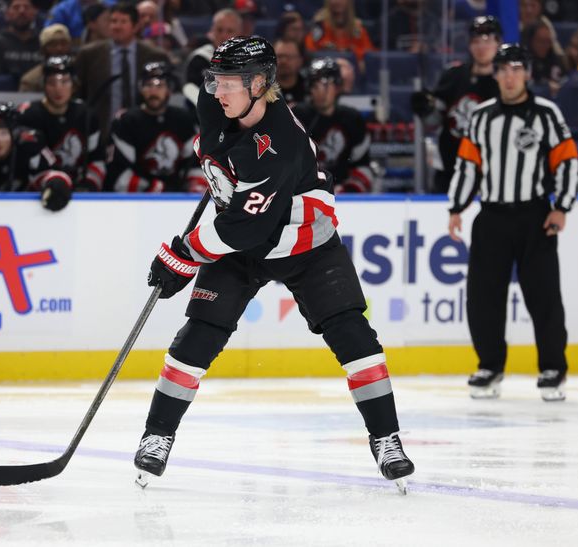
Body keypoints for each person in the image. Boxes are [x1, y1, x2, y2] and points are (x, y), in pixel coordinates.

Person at [134, 36, 415, 492]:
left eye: (228, 83)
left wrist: (183, 253)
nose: (218, 92)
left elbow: (243, 230)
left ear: (260, 83)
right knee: (199, 335)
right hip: (246, 241)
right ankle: (157, 436)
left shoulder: (279, 141)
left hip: (306, 244)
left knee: (353, 335)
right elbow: (226, 181)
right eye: (215, 81)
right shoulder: (217, 105)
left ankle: (387, 439)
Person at [447, 44, 578, 402]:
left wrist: (562, 207)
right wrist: (457, 207)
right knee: (483, 297)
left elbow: (567, 161)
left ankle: (552, 369)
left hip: (535, 216)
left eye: (517, 69)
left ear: (528, 74)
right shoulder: (482, 115)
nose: (509, 76)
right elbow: (468, 165)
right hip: (491, 217)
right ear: (496, 73)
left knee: (544, 296)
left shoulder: (546, 114)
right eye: (504, 69)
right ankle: (490, 365)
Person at [411, 16, 501, 194]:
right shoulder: (454, 76)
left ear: (498, 43)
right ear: (469, 44)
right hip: (450, 171)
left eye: (487, 41)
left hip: (491, 175)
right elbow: (436, 121)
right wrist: (427, 108)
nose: (481, 47)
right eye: (476, 41)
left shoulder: (506, 82)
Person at [73, 2, 169, 142]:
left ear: (136, 26)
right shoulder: (89, 54)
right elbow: (77, 92)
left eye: (123, 22)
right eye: (113, 21)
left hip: (144, 135)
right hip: (101, 132)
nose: (116, 26)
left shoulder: (155, 56)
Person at [106, 61, 202, 192]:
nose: (153, 91)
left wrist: (194, 185)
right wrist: (153, 188)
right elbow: (117, 171)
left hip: (177, 198)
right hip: (137, 200)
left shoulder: (183, 119)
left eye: (159, 85)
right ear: (141, 89)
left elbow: (194, 163)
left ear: (169, 89)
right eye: (148, 85)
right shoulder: (127, 121)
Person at [18, 55, 105, 191]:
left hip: (79, 191)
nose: (58, 89)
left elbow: (97, 158)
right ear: (44, 85)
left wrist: (89, 185)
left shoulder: (86, 114)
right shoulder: (28, 116)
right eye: (52, 83)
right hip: (39, 192)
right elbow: (27, 163)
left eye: (65, 82)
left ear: (74, 84)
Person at [293, 57, 373, 193]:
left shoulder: (352, 118)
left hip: (343, 196)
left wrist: (346, 190)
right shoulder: (296, 116)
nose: (321, 91)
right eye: (315, 85)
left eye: (326, 84)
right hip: (302, 193)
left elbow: (362, 165)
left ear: (337, 87)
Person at [181, 8, 243, 107]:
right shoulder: (200, 59)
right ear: (212, 30)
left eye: (230, 31)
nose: (224, 35)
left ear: (239, 34)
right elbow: (191, 91)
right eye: (219, 30)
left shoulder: (248, 60)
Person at [304, 0, 374, 71]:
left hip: (352, 73)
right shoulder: (320, 27)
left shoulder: (358, 29)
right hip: (325, 71)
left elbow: (369, 56)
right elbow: (310, 52)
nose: (337, 1)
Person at [0, 0, 42, 82]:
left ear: (34, 13)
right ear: (7, 14)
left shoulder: (43, 42)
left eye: (26, 7)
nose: (21, 11)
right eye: (16, 7)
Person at [19, 23, 72, 92]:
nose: (59, 48)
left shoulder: (80, 75)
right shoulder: (31, 81)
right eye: (53, 44)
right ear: (43, 50)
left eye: (63, 43)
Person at [274, 38, 306, 107]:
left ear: (300, 61)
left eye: (289, 57)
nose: (283, 61)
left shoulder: (310, 89)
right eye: (279, 56)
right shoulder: (263, 90)